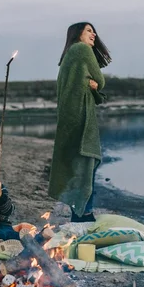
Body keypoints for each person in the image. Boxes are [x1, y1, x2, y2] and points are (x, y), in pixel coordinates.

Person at [48, 22, 112, 222]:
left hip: (69, 120)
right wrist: (95, 85)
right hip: (81, 120)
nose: (93, 34)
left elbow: (78, 85)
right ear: (77, 34)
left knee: (79, 166)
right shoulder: (83, 49)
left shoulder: (69, 55)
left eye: (94, 31)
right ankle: (84, 214)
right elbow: (101, 81)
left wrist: (89, 86)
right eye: (89, 30)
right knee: (86, 166)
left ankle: (80, 213)